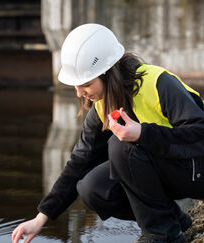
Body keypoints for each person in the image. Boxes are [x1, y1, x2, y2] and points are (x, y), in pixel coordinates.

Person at [12, 23, 204, 243]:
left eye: (85, 84)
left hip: (197, 170)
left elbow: (200, 133)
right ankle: (172, 223)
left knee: (120, 147)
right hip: (173, 172)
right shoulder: (102, 106)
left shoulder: (157, 83)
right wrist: (41, 218)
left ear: (107, 72)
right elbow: (79, 162)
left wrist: (142, 133)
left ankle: (161, 235)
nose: (79, 93)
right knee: (92, 188)